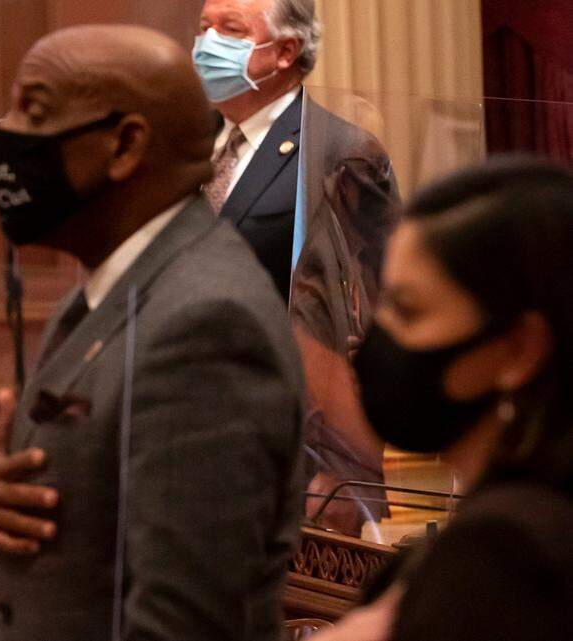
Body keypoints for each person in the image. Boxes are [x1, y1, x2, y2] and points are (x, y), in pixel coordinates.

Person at [0, 24, 304, 641]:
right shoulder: (103, 292)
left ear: (125, 146)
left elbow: (187, 623)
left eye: (34, 111)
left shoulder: (206, 323)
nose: (7, 134)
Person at [313, 159, 573, 641]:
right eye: (383, 302)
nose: (378, 339)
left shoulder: (504, 560)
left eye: (408, 310)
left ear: (519, 347)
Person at [194, 0, 399, 534]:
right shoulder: (187, 148)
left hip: (291, 456)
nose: (207, 43)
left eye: (230, 30)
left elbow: (366, 318)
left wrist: (346, 466)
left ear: (285, 51)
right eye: (204, 28)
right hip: (190, 438)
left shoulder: (341, 152)